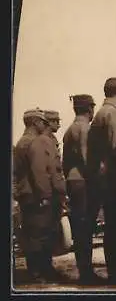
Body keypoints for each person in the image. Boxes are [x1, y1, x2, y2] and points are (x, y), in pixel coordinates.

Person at [13, 109, 68, 283]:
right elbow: (38, 171)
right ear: (35, 122)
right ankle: (37, 273)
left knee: (39, 234)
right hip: (35, 195)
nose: (44, 125)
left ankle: (43, 270)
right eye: (42, 122)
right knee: (38, 235)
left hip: (29, 193)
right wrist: (45, 195)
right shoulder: (31, 142)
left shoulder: (24, 141)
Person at [86, 77, 116, 285]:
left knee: (112, 227)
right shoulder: (113, 114)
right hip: (115, 179)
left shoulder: (98, 115)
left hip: (102, 179)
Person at [62, 94, 103, 284]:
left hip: (73, 181)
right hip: (85, 182)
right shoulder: (85, 128)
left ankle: (84, 271)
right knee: (85, 228)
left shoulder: (70, 129)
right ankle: (86, 274)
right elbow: (88, 161)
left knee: (80, 227)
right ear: (90, 109)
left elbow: (64, 163)